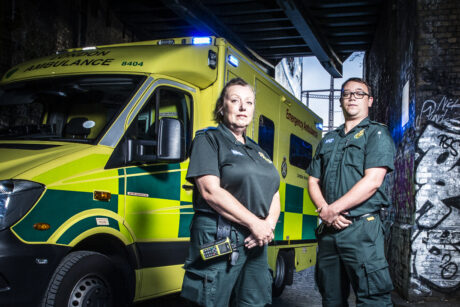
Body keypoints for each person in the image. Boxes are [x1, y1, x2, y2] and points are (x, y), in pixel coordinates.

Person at [180, 77, 281, 307]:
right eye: (235, 100)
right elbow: (210, 192)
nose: (243, 107)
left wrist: (267, 227)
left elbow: (274, 192)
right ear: (221, 107)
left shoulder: (258, 151)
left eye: (249, 102)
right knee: (211, 299)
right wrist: (256, 224)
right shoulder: (209, 139)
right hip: (219, 233)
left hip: (256, 240)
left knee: (254, 302)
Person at [307, 77, 395, 307]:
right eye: (347, 93)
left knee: (372, 299)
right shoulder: (328, 139)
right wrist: (326, 212)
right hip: (329, 232)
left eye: (359, 93)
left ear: (370, 101)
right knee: (331, 298)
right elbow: (313, 180)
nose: (352, 97)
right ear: (341, 100)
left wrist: (332, 210)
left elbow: (373, 181)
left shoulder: (376, 135)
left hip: (361, 230)